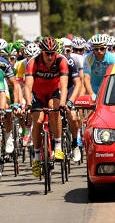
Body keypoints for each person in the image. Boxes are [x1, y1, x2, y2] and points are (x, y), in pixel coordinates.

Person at [24, 37, 69, 177]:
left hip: (53, 92)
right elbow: (28, 86)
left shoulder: (61, 61)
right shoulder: (33, 62)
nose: (49, 56)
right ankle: (37, 159)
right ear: (41, 52)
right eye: (46, 53)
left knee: (55, 109)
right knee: (37, 121)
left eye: (52, 53)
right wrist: (28, 104)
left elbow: (64, 85)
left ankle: (57, 146)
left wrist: (62, 103)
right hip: (38, 94)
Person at [83, 34, 115, 99]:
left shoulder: (111, 58)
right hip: (94, 88)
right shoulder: (88, 58)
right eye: (96, 49)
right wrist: (91, 94)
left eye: (101, 48)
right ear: (93, 49)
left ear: (106, 48)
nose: (99, 51)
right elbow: (86, 78)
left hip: (109, 87)